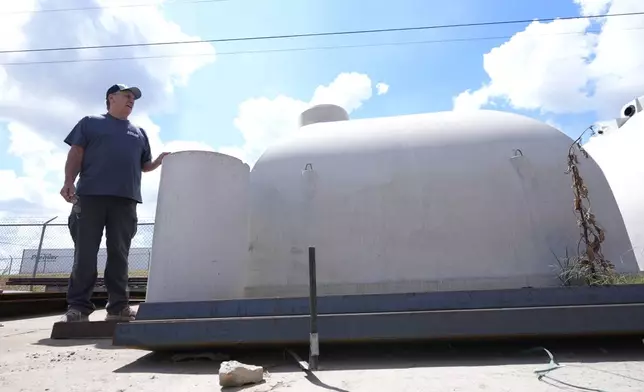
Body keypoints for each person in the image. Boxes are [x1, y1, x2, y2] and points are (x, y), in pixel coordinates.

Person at [59, 84, 169, 322]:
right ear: (111, 98)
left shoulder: (139, 132)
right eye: (126, 96)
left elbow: (144, 165)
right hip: (90, 197)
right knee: (85, 254)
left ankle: (118, 307)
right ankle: (78, 307)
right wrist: (69, 181)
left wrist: (159, 161)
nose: (131, 100)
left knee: (119, 254)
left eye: (133, 98)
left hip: (126, 201)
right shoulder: (90, 122)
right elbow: (76, 152)